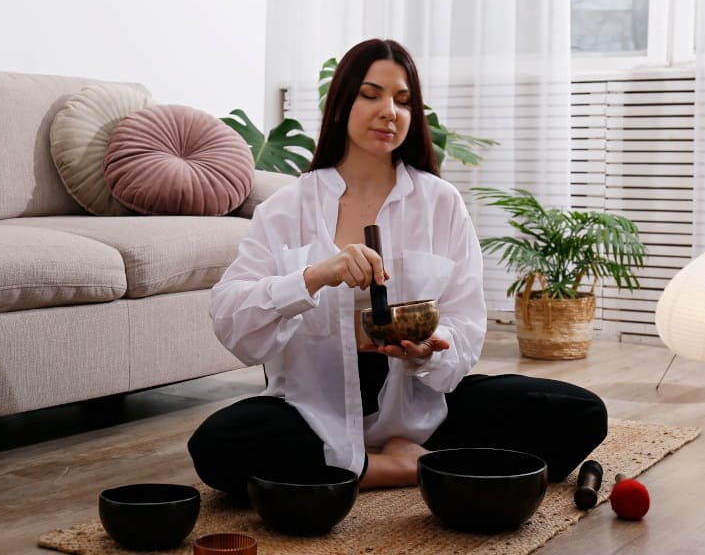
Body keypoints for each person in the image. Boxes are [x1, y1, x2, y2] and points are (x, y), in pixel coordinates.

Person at [188, 38, 607, 497]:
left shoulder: (440, 203)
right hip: (313, 410)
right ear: (342, 103)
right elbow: (230, 317)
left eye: (403, 100)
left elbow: (467, 320)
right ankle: (405, 469)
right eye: (371, 95)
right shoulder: (286, 208)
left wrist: (430, 351)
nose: (389, 111)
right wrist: (315, 276)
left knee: (580, 412)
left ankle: (360, 466)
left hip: (424, 409)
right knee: (217, 446)